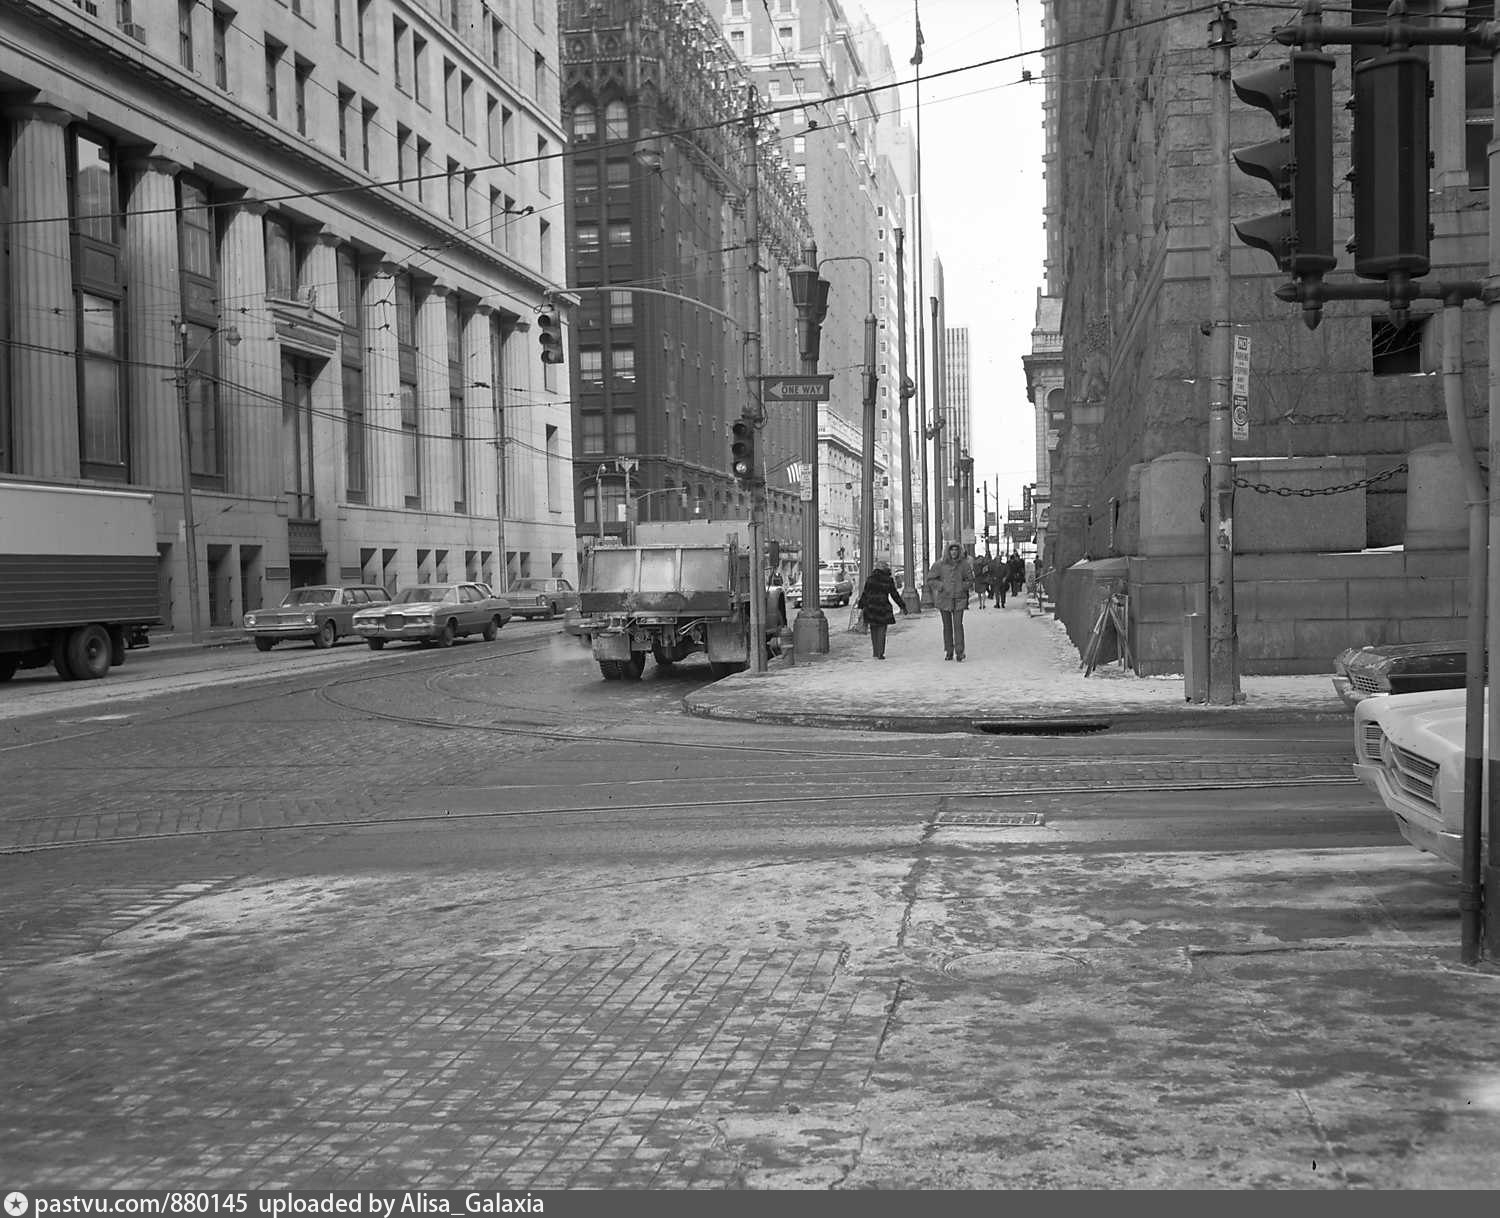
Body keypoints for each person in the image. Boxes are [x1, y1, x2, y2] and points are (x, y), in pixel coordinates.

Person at [925, 541, 974, 661]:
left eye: (956, 550)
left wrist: (962, 586)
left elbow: (970, 579)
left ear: (959, 551)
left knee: (958, 625)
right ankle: (949, 650)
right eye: (952, 550)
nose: (954, 552)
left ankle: (960, 651)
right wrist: (941, 586)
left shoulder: (964, 565)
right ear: (948, 551)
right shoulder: (939, 565)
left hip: (959, 598)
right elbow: (931, 579)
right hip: (944, 599)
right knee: (947, 626)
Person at [856, 560, 907, 659]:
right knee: (882, 630)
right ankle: (880, 652)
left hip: (870, 608)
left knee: (873, 630)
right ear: (885, 568)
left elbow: (865, 593)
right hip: (882, 607)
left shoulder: (870, 579)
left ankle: (875, 652)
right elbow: (894, 595)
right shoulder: (888, 580)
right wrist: (902, 606)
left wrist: (861, 606)